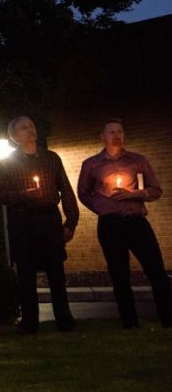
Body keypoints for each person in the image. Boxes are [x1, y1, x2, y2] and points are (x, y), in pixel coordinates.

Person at [77, 119, 171, 329]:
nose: (116, 135)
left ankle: (168, 317)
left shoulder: (138, 161)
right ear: (102, 136)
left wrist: (135, 194)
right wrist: (101, 207)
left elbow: (156, 190)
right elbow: (83, 192)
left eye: (120, 131)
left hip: (136, 220)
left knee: (156, 270)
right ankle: (129, 322)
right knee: (119, 273)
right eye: (111, 132)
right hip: (110, 224)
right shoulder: (91, 164)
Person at [0, 117, 78, 333]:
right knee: (26, 273)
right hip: (23, 221)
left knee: (56, 272)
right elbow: (0, 193)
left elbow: (66, 190)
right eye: (24, 128)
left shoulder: (51, 158)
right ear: (14, 136)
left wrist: (70, 222)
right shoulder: (7, 163)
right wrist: (23, 195)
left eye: (31, 125)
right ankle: (30, 322)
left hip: (49, 219)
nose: (30, 130)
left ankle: (65, 320)